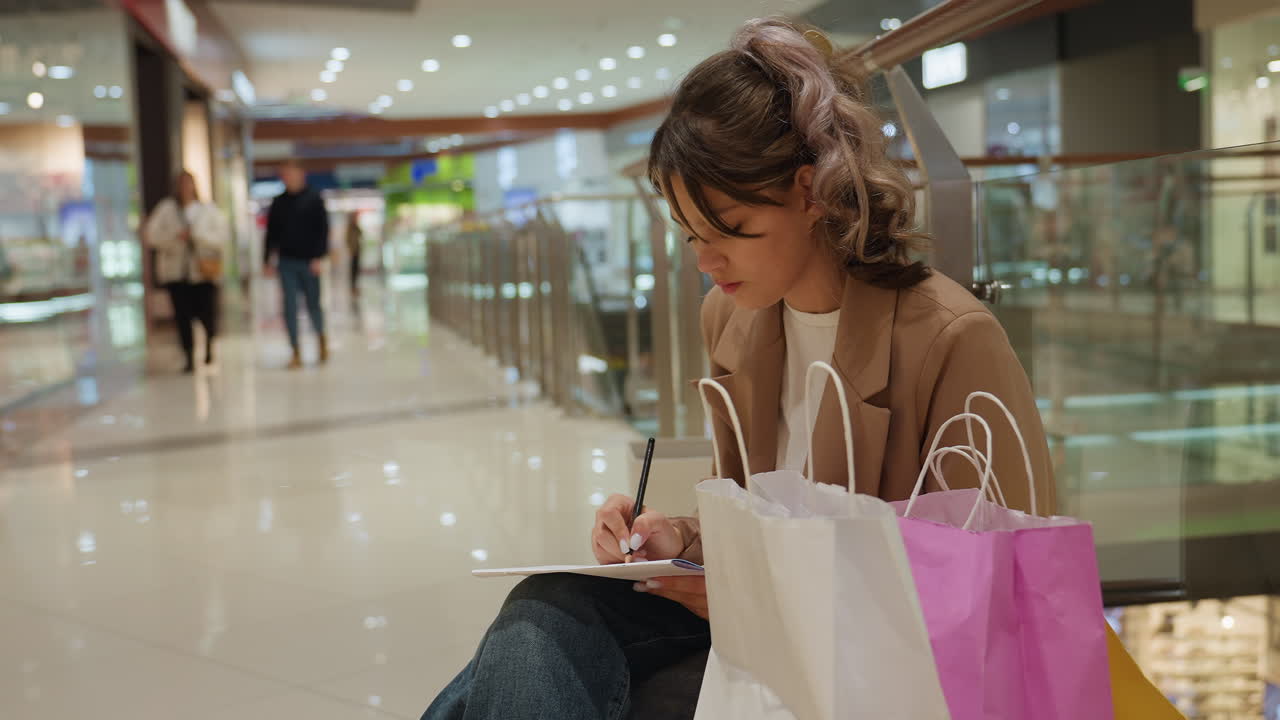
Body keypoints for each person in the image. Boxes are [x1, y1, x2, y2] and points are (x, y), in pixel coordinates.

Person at [422, 18, 1055, 720]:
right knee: (543, 608)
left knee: (515, 657)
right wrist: (681, 541)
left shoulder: (947, 337)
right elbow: (765, 512)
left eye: (731, 231)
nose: (706, 260)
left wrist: (765, 591)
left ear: (810, 194)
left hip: (873, 667)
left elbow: (1004, 590)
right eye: (690, 234)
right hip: (756, 629)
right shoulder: (735, 319)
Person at [143, 170, 225, 373]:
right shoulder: (167, 209)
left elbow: (221, 238)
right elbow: (151, 236)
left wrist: (198, 236)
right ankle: (188, 355)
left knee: (207, 313)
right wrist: (174, 237)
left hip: (203, 272)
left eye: (189, 183)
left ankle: (209, 347)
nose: (186, 188)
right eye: (182, 184)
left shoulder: (207, 209)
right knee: (182, 316)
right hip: (176, 273)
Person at [264, 160, 329, 369]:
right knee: (289, 306)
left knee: (313, 304)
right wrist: (266, 260)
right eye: (286, 174)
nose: (289, 178)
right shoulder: (279, 202)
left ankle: (321, 339)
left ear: (302, 174)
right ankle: (295, 350)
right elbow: (271, 234)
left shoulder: (314, 198)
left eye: (292, 173)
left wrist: (319, 257)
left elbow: (323, 230)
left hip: (310, 260)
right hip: (286, 261)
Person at [345, 211, 363, 298]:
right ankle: (352, 287)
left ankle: (355, 287)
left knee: (356, 270)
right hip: (353, 252)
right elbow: (348, 239)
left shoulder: (355, 227)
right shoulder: (350, 228)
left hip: (357, 250)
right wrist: (350, 249)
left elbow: (361, 233)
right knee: (353, 270)